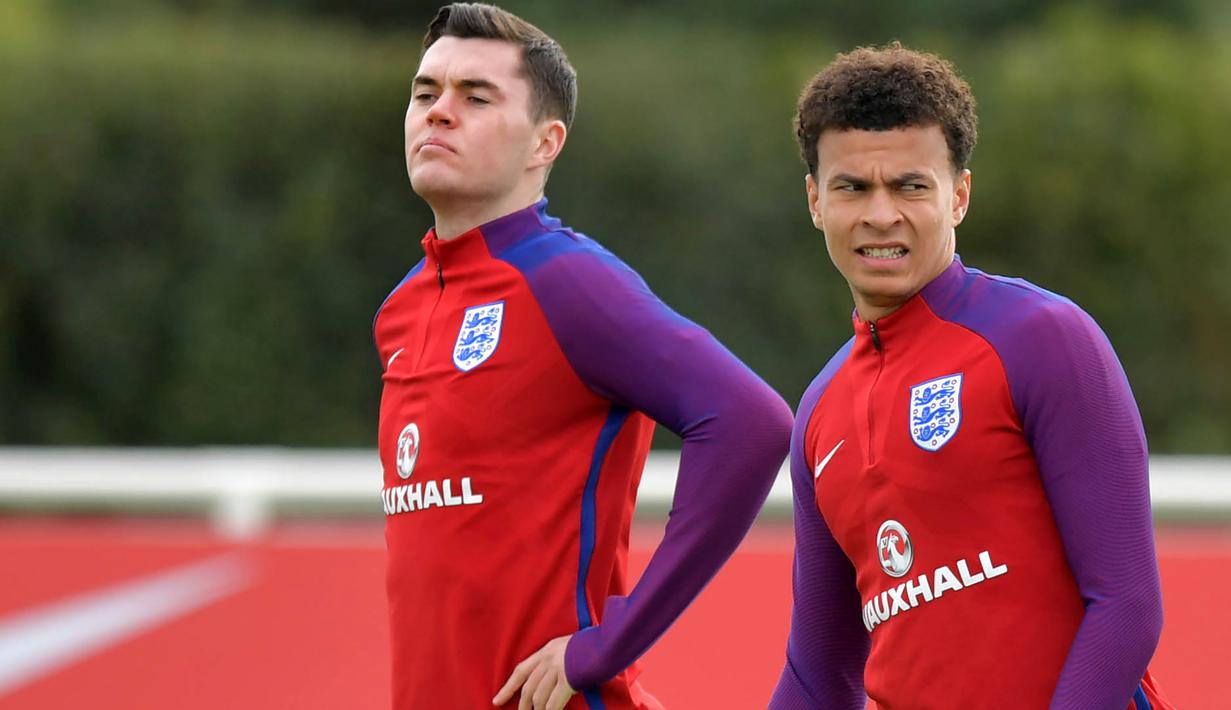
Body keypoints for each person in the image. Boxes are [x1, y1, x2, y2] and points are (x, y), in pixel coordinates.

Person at [372, 4, 793, 709]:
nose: (439, 112)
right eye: (425, 93)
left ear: (545, 143)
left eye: (475, 97)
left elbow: (752, 422)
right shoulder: (402, 308)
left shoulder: (566, 282)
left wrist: (613, 640)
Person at [769, 44, 1174, 709]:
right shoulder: (818, 410)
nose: (879, 214)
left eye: (909, 185)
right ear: (815, 200)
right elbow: (819, 673)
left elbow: (1125, 606)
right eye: (851, 187)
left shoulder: (1042, 338)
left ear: (957, 195)